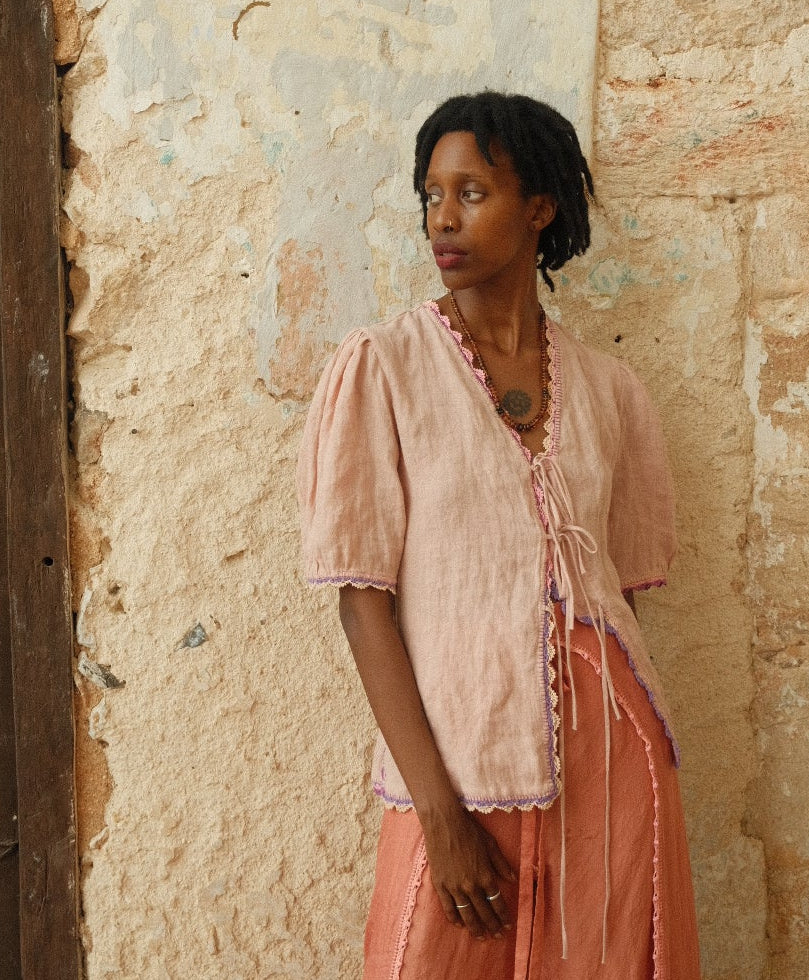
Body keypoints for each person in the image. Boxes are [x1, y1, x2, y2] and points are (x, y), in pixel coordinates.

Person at [297, 91, 701, 979]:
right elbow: (364, 604)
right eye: (432, 195)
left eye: (473, 193)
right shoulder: (384, 369)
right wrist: (440, 819)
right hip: (460, 765)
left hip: (612, 763)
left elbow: (622, 598)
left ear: (539, 208)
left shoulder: (610, 391)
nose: (443, 218)